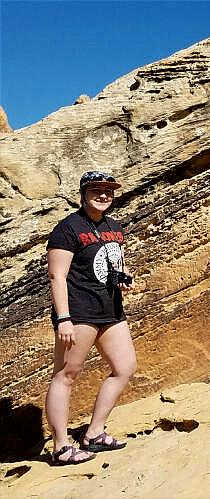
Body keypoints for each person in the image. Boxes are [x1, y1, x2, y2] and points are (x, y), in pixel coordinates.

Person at [45, 171, 137, 465]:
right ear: (83, 193)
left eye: (108, 191)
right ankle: (61, 447)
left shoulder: (113, 226)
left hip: (110, 311)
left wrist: (122, 281)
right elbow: (57, 276)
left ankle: (94, 434)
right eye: (96, 190)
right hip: (79, 313)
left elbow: (114, 262)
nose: (103, 195)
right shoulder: (67, 229)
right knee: (66, 375)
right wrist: (64, 319)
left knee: (124, 368)